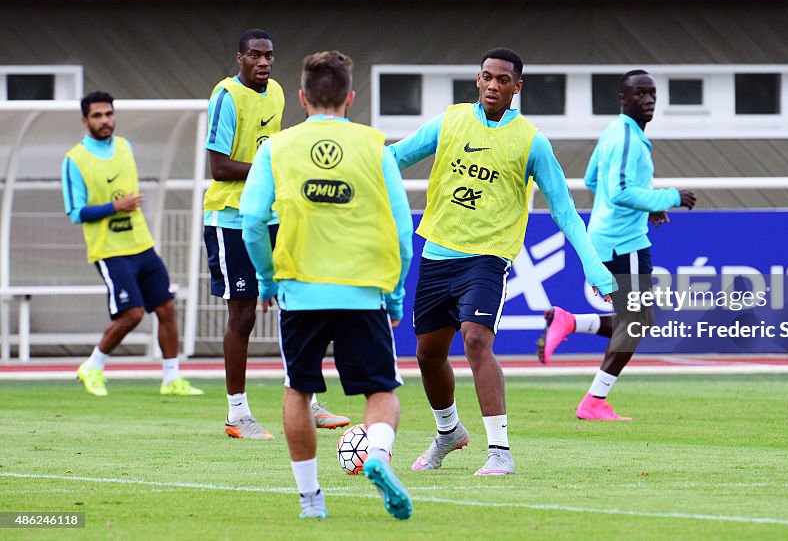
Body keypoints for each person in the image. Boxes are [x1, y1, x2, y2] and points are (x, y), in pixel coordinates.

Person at [390, 47, 617, 476]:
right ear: (478, 79)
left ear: (518, 86)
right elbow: (395, 158)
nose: (493, 85)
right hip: (437, 254)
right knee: (427, 355)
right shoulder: (450, 121)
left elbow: (565, 211)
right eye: (487, 77)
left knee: (476, 339)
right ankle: (448, 433)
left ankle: (499, 451)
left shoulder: (532, 141)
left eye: (503, 80)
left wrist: (593, 265)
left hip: (488, 258)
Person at [240, 50, 413, 520]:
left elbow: (252, 219)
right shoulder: (375, 147)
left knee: (298, 390)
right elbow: (401, 231)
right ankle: (377, 457)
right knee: (380, 392)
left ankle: (311, 500)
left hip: (301, 289)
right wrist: (394, 294)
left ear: (301, 97)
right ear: (350, 98)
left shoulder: (276, 148)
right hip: (362, 290)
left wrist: (266, 279)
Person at [204, 29, 346, 439]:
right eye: (255, 55)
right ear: (239, 58)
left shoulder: (279, 93)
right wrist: (275, 169)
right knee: (243, 314)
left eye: (268, 55)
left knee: (297, 305)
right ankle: (237, 414)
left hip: (271, 215)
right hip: (230, 218)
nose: (263, 62)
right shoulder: (226, 97)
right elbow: (219, 166)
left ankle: (310, 399)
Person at [536, 70, 697, 420]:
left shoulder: (614, 131)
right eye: (640, 94)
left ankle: (568, 322)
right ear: (623, 99)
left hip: (608, 236)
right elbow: (621, 191)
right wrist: (668, 198)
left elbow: (595, 180)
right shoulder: (629, 139)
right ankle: (594, 400)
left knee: (635, 318)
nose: (649, 99)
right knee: (637, 321)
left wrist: (649, 208)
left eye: (652, 93)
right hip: (625, 243)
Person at [62, 91, 203, 397]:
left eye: (109, 114)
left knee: (166, 308)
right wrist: (116, 207)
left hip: (141, 244)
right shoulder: (75, 160)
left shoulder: (125, 147)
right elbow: (75, 212)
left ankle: (171, 379)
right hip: (110, 250)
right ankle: (93, 366)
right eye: (97, 116)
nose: (105, 120)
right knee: (132, 313)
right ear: (85, 120)